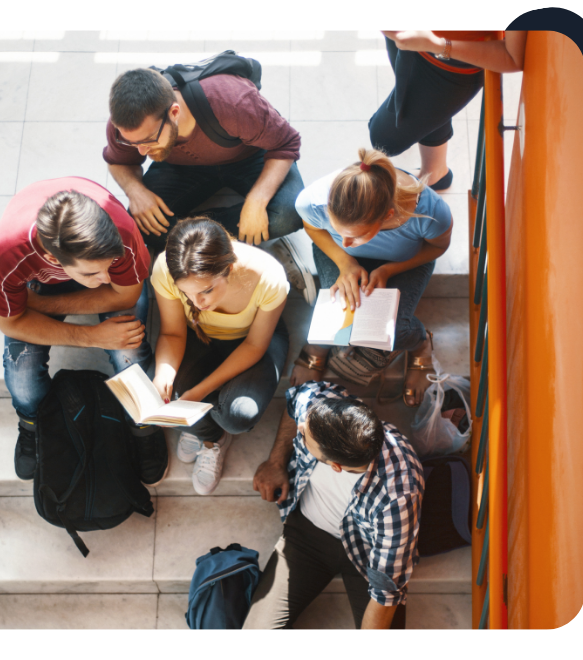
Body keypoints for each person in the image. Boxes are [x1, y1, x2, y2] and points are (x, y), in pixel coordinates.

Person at [0, 176, 168, 485]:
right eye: (92, 272)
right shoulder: (9, 252)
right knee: (22, 374)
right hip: (39, 280)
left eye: (109, 265)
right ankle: (31, 422)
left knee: (128, 354)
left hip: (47, 290)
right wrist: (90, 337)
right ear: (51, 259)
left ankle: (143, 422)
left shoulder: (121, 235)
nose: (104, 277)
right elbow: (8, 321)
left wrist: (38, 306)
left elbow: (123, 293)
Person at [103, 66, 315, 303]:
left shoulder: (234, 102)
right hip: (181, 168)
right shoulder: (125, 124)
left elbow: (287, 143)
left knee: (289, 213)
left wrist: (257, 201)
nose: (141, 151)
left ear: (174, 112)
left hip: (247, 157)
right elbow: (118, 162)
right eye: (132, 143)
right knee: (141, 223)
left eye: (148, 140)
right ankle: (235, 242)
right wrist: (135, 191)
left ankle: (197, 246)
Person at [247, 380, 424, 630]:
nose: (300, 427)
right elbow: (296, 402)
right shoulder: (320, 408)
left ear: (336, 467)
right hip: (306, 540)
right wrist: (276, 461)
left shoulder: (398, 496)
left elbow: (386, 591)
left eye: (307, 438)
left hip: (366, 557)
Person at [292, 148, 452, 407]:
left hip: (404, 262)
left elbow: (436, 248)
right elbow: (312, 226)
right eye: (338, 229)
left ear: (388, 216)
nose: (347, 242)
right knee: (334, 312)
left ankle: (421, 342)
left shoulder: (430, 213)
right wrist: (345, 261)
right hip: (339, 259)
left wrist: (388, 270)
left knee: (395, 330)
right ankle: (319, 345)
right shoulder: (312, 201)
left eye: (356, 236)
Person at [151, 217, 290, 495]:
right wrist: (163, 374)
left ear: (228, 268)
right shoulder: (165, 268)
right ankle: (211, 438)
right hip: (197, 337)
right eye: (186, 293)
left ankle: (206, 428)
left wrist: (199, 391)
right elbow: (173, 334)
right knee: (172, 394)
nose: (197, 303)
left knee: (238, 415)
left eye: (206, 291)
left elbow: (254, 347)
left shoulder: (269, 277)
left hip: (253, 340)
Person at [371, 30, 528, 191]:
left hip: (450, 64)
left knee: (383, 138)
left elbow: (513, 57)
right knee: (429, 106)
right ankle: (435, 172)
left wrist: (437, 45)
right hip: (404, 38)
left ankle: (435, 172)